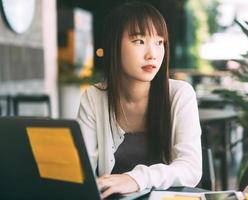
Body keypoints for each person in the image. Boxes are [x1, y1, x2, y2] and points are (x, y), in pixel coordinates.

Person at [77, 2, 202, 198]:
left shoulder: (180, 94)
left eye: (159, 42)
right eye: (139, 41)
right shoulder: (94, 98)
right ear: (113, 44)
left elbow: (190, 169)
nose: (152, 54)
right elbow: (82, 171)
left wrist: (136, 178)